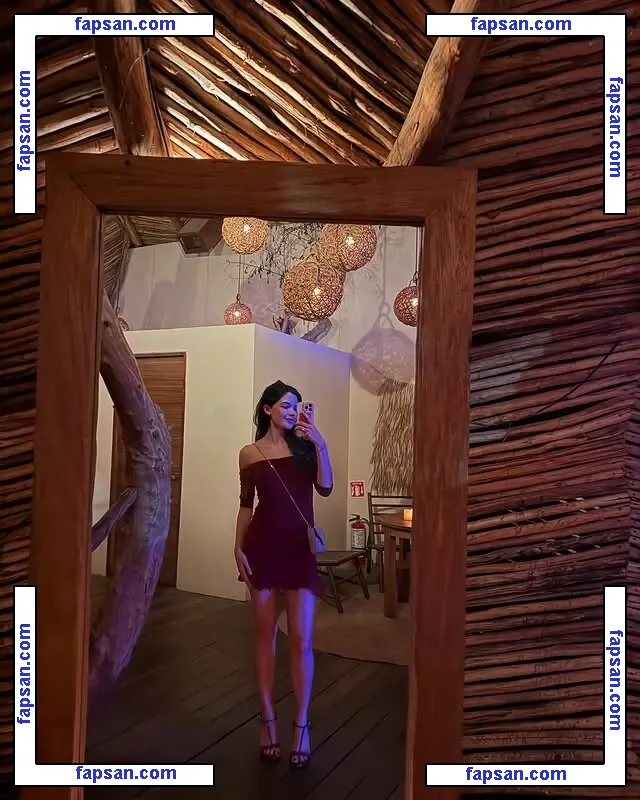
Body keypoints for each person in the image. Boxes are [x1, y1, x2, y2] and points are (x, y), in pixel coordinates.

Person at [234, 380, 333, 769]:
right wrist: (237, 547)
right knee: (265, 637)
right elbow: (246, 505)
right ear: (267, 409)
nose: (293, 412)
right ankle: (267, 721)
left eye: (296, 407)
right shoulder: (249, 453)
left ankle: (301, 725)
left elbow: (326, 487)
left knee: (302, 640)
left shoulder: (307, 449)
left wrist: (320, 442)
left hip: (298, 551)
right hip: (262, 548)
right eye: (286, 406)